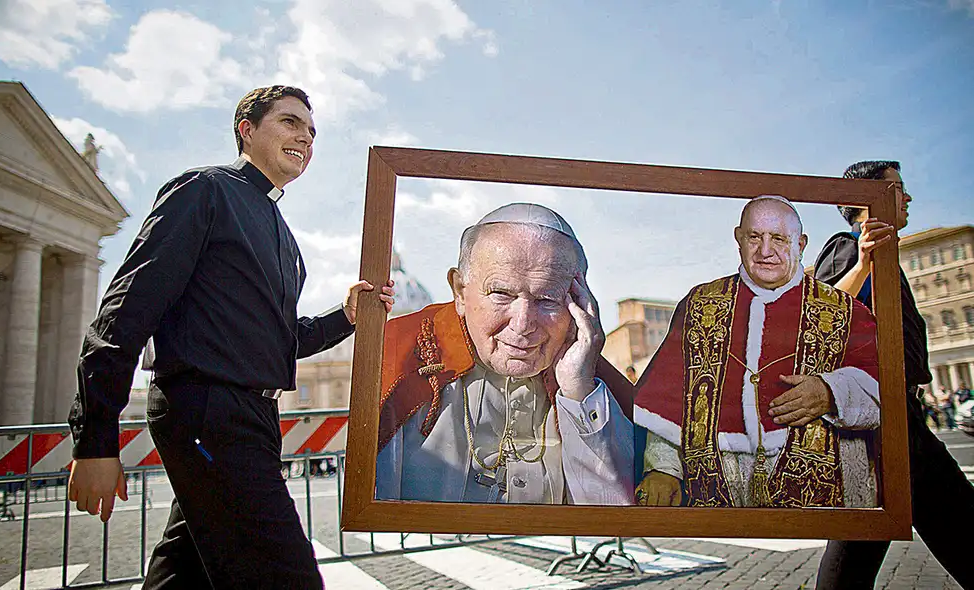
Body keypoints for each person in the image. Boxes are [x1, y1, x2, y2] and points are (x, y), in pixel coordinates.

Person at [66, 85, 394, 590]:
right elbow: (125, 312)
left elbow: (281, 340)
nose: (304, 137)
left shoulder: (284, 235)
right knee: (286, 578)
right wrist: (94, 439)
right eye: (289, 122)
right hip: (208, 411)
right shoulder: (204, 191)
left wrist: (346, 316)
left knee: (183, 574)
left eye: (311, 131)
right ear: (246, 130)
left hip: (254, 416)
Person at [375, 203, 635, 506]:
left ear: (579, 302)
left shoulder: (585, 371)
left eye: (547, 298)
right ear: (460, 291)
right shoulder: (397, 355)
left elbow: (612, 514)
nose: (523, 324)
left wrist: (579, 391)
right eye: (501, 294)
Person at [634, 195, 881, 508]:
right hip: (717, 486)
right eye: (754, 237)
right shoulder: (699, 304)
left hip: (822, 490)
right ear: (739, 239)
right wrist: (662, 468)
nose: (765, 251)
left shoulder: (845, 310)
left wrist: (832, 392)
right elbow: (668, 399)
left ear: (801, 243)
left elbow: (883, 387)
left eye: (778, 238)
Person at [813, 160, 974, 590]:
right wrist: (864, 262)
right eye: (897, 188)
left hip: (896, 419)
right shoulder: (847, 248)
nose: (908, 197)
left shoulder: (884, 252)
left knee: (864, 541)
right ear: (863, 201)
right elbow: (818, 318)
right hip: (877, 422)